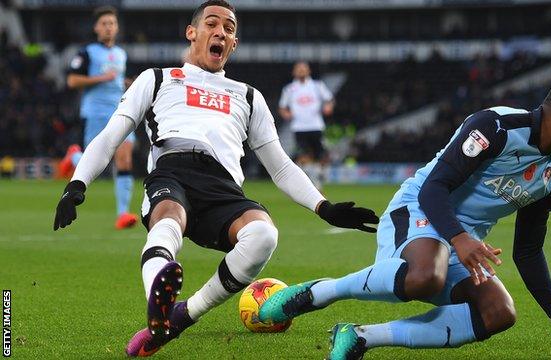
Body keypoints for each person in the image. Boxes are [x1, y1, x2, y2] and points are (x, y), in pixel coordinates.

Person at [52, 1, 378, 357]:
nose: (221, 31)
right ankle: (156, 302)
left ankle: (182, 315)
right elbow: (111, 135)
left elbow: (281, 166)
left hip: (223, 186)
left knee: (264, 233)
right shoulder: (158, 78)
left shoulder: (249, 96)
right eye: (212, 23)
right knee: (169, 216)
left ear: (233, 44)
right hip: (172, 169)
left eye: (229, 28)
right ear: (192, 32)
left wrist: (324, 207)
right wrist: (77, 183)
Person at [259, 73, 551, 359]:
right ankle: (321, 292)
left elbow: (528, 251)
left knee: (499, 313)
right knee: (425, 276)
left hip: (460, 243)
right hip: (418, 210)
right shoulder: (495, 127)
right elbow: (435, 187)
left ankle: (360, 337)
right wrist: (460, 238)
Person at [57, 6, 138, 229]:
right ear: (96, 27)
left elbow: (117, 80)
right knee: (92, 161)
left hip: (120, 111)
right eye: (104, 24)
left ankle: (122, 214)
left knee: (125, 159)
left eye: (112, 23)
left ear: (117, 27)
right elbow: (72, 81)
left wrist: (126, 84)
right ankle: (73, 156)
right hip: (95, 112)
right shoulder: (87, 52)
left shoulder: (121, 54)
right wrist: (101, 78)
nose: (108, 27)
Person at [279, 61, 335, 189]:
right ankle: (312, 182)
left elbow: (329, 99)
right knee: (304, 156)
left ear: (309, 71)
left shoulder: (317, 86)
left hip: (316, 126)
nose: (301, 71)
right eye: (298, 69)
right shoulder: (289, 89)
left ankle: (318, 177)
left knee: (322, 157)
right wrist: (286, 114)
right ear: (294, 72)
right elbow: (282, 107)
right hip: (299, 127)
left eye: (303, 69)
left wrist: (328, 106)